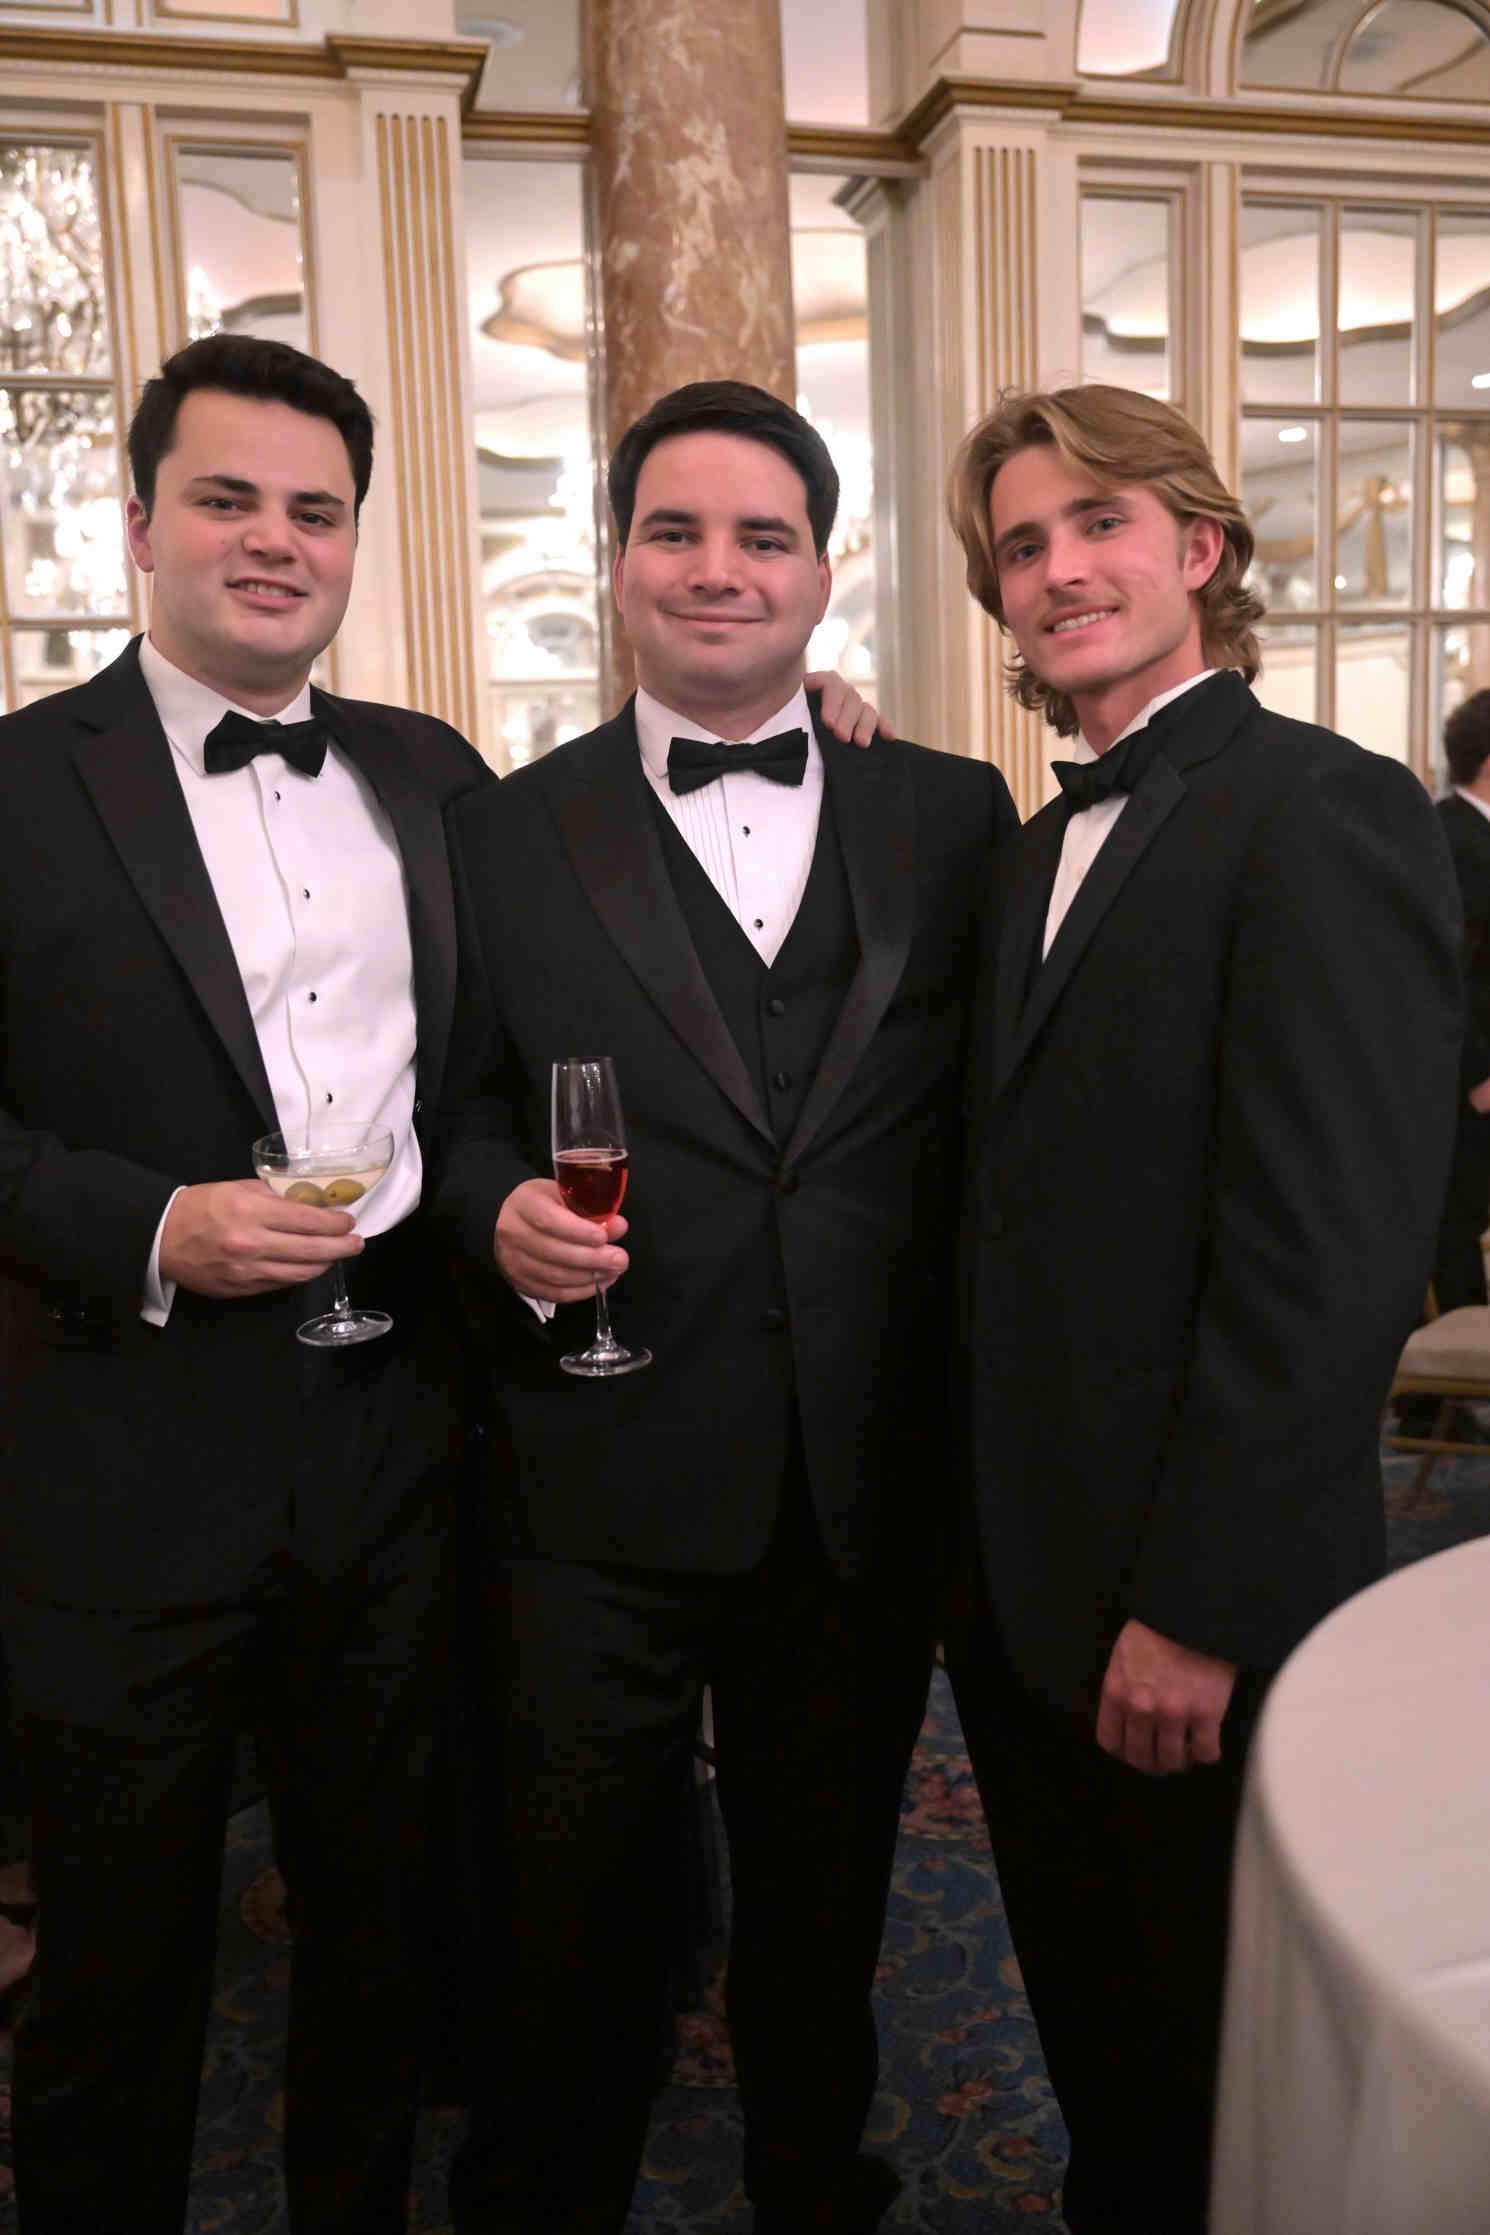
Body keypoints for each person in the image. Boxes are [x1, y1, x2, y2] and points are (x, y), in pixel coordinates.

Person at [433, 378, 1018, 2235]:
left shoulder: (952, 809)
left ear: (824, 575)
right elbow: (448, 1108)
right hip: (590, 1471)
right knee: (574, 1906)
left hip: (854, 1477)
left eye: (764, 537)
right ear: (612, 562)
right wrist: (493, 1210)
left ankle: (809, 2183)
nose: (717, 569)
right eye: (673, 531)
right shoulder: (497, 828)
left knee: (827, 1897)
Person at [942, 382, 1462, 2235]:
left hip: (1193, 1585)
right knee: (1097, 2032)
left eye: (1097, 522)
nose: (1059, 568)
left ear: (1199, 546)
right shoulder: (1026, 850)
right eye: (1022, 545)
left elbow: (1329, 1258)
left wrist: (1197, 1604)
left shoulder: (1323, 808)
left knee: (1217, 2054)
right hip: (1022, 1574)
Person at [0, 331, 496, 2235]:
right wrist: (148, 1226)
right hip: (122, 1459)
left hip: (389, 1444)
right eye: (228, 499)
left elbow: (609, 891)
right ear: (140, 524)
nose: (275, 540)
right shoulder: (19, 784)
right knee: (119, 1956)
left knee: (378, 1923)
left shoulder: (433, 775)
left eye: (316, 508)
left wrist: (828, 712)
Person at [1430, 687, 1490, 1310]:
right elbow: (1444, 969)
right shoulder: (1450, 838)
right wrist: (1476, 1077)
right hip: (1471, 1082)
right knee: (1456, 1224)